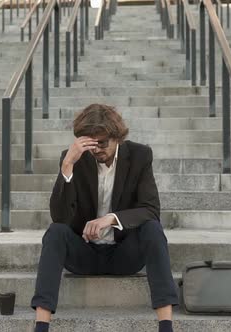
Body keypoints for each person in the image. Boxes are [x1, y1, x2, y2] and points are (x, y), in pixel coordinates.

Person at [30, 104, 179, 332]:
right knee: (55, 233)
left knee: (153, 229)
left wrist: (111, 218)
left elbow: (150, 209)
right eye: (91, 144)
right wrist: (67, 166)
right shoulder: (74, 159)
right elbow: (59, 217)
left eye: (102, 143)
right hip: (85, 254)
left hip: (124, 254)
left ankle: (166, 326)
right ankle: (41, 327)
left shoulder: (140, 156)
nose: (97, 149)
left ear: (117, 137)